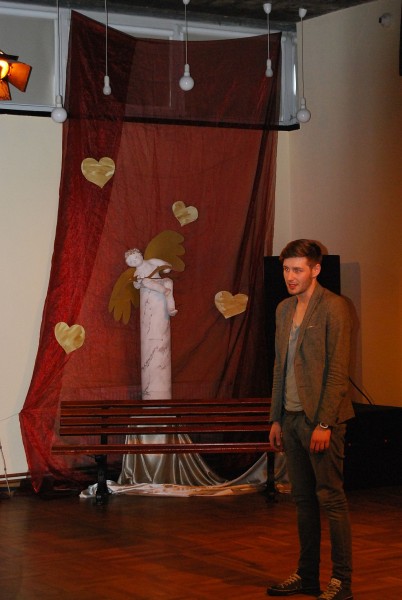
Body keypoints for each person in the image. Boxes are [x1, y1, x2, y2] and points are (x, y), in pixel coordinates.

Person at [267, 240, 354, 600]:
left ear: (315, 269)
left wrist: (325, 424)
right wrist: (275, 418)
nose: (290, 276)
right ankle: (307, 576)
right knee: (303, 501)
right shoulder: (283, 309)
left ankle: (341, 582)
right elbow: (280, 367)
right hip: (290, 420)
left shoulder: (335, 307)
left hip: (321, 422)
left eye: (298, 269)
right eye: (286, 269)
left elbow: (338, 371)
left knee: (331, 499)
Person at [125, 248, 178, 316]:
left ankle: (171, 308)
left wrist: (167, 268)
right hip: (150, 285)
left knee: (168, 281)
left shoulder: (152, 261)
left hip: (159, 280)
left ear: (141, 255)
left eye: (135, 257)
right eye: (130, 261)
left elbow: (164, 264)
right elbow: (136, 286)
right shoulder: (137, 273)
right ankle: (164, 290)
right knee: (145, 281)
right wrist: (139, 282)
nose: (134, 261)